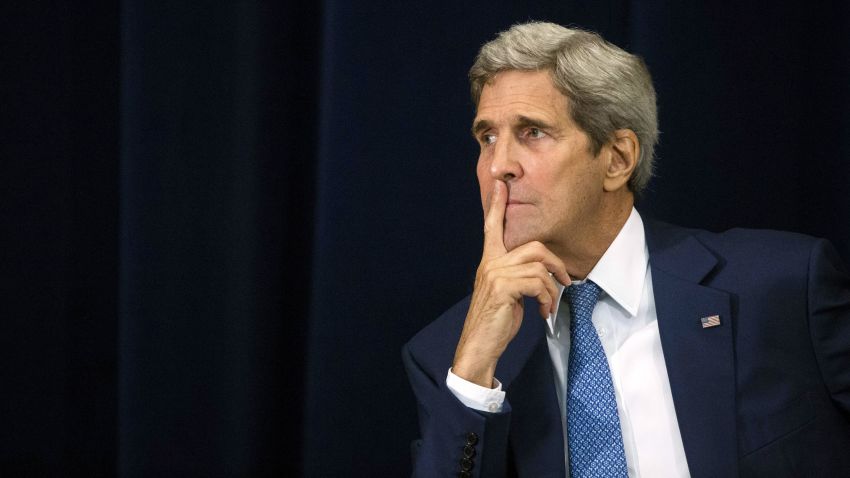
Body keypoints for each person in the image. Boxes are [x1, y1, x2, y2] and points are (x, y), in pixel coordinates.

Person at [402, 21, 850, 477]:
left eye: (532, 132)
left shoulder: (784, 288)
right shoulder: (452, 357)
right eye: (487, 138)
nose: (498, 166)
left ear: (617, 159)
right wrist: (475, 372)